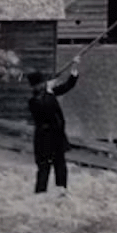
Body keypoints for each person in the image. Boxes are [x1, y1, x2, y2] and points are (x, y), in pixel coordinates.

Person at [28, 57, 80, 194]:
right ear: (36, 86)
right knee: (44, 169)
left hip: (56, 137)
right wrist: (50, 90)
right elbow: (47, 106)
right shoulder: (34, 101)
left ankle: (61, 191)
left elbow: (67, 86)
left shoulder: (48, 94)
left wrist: (73, 69)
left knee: (60, 166)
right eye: (42, 83)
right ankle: (40, 194)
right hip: (44, 139)